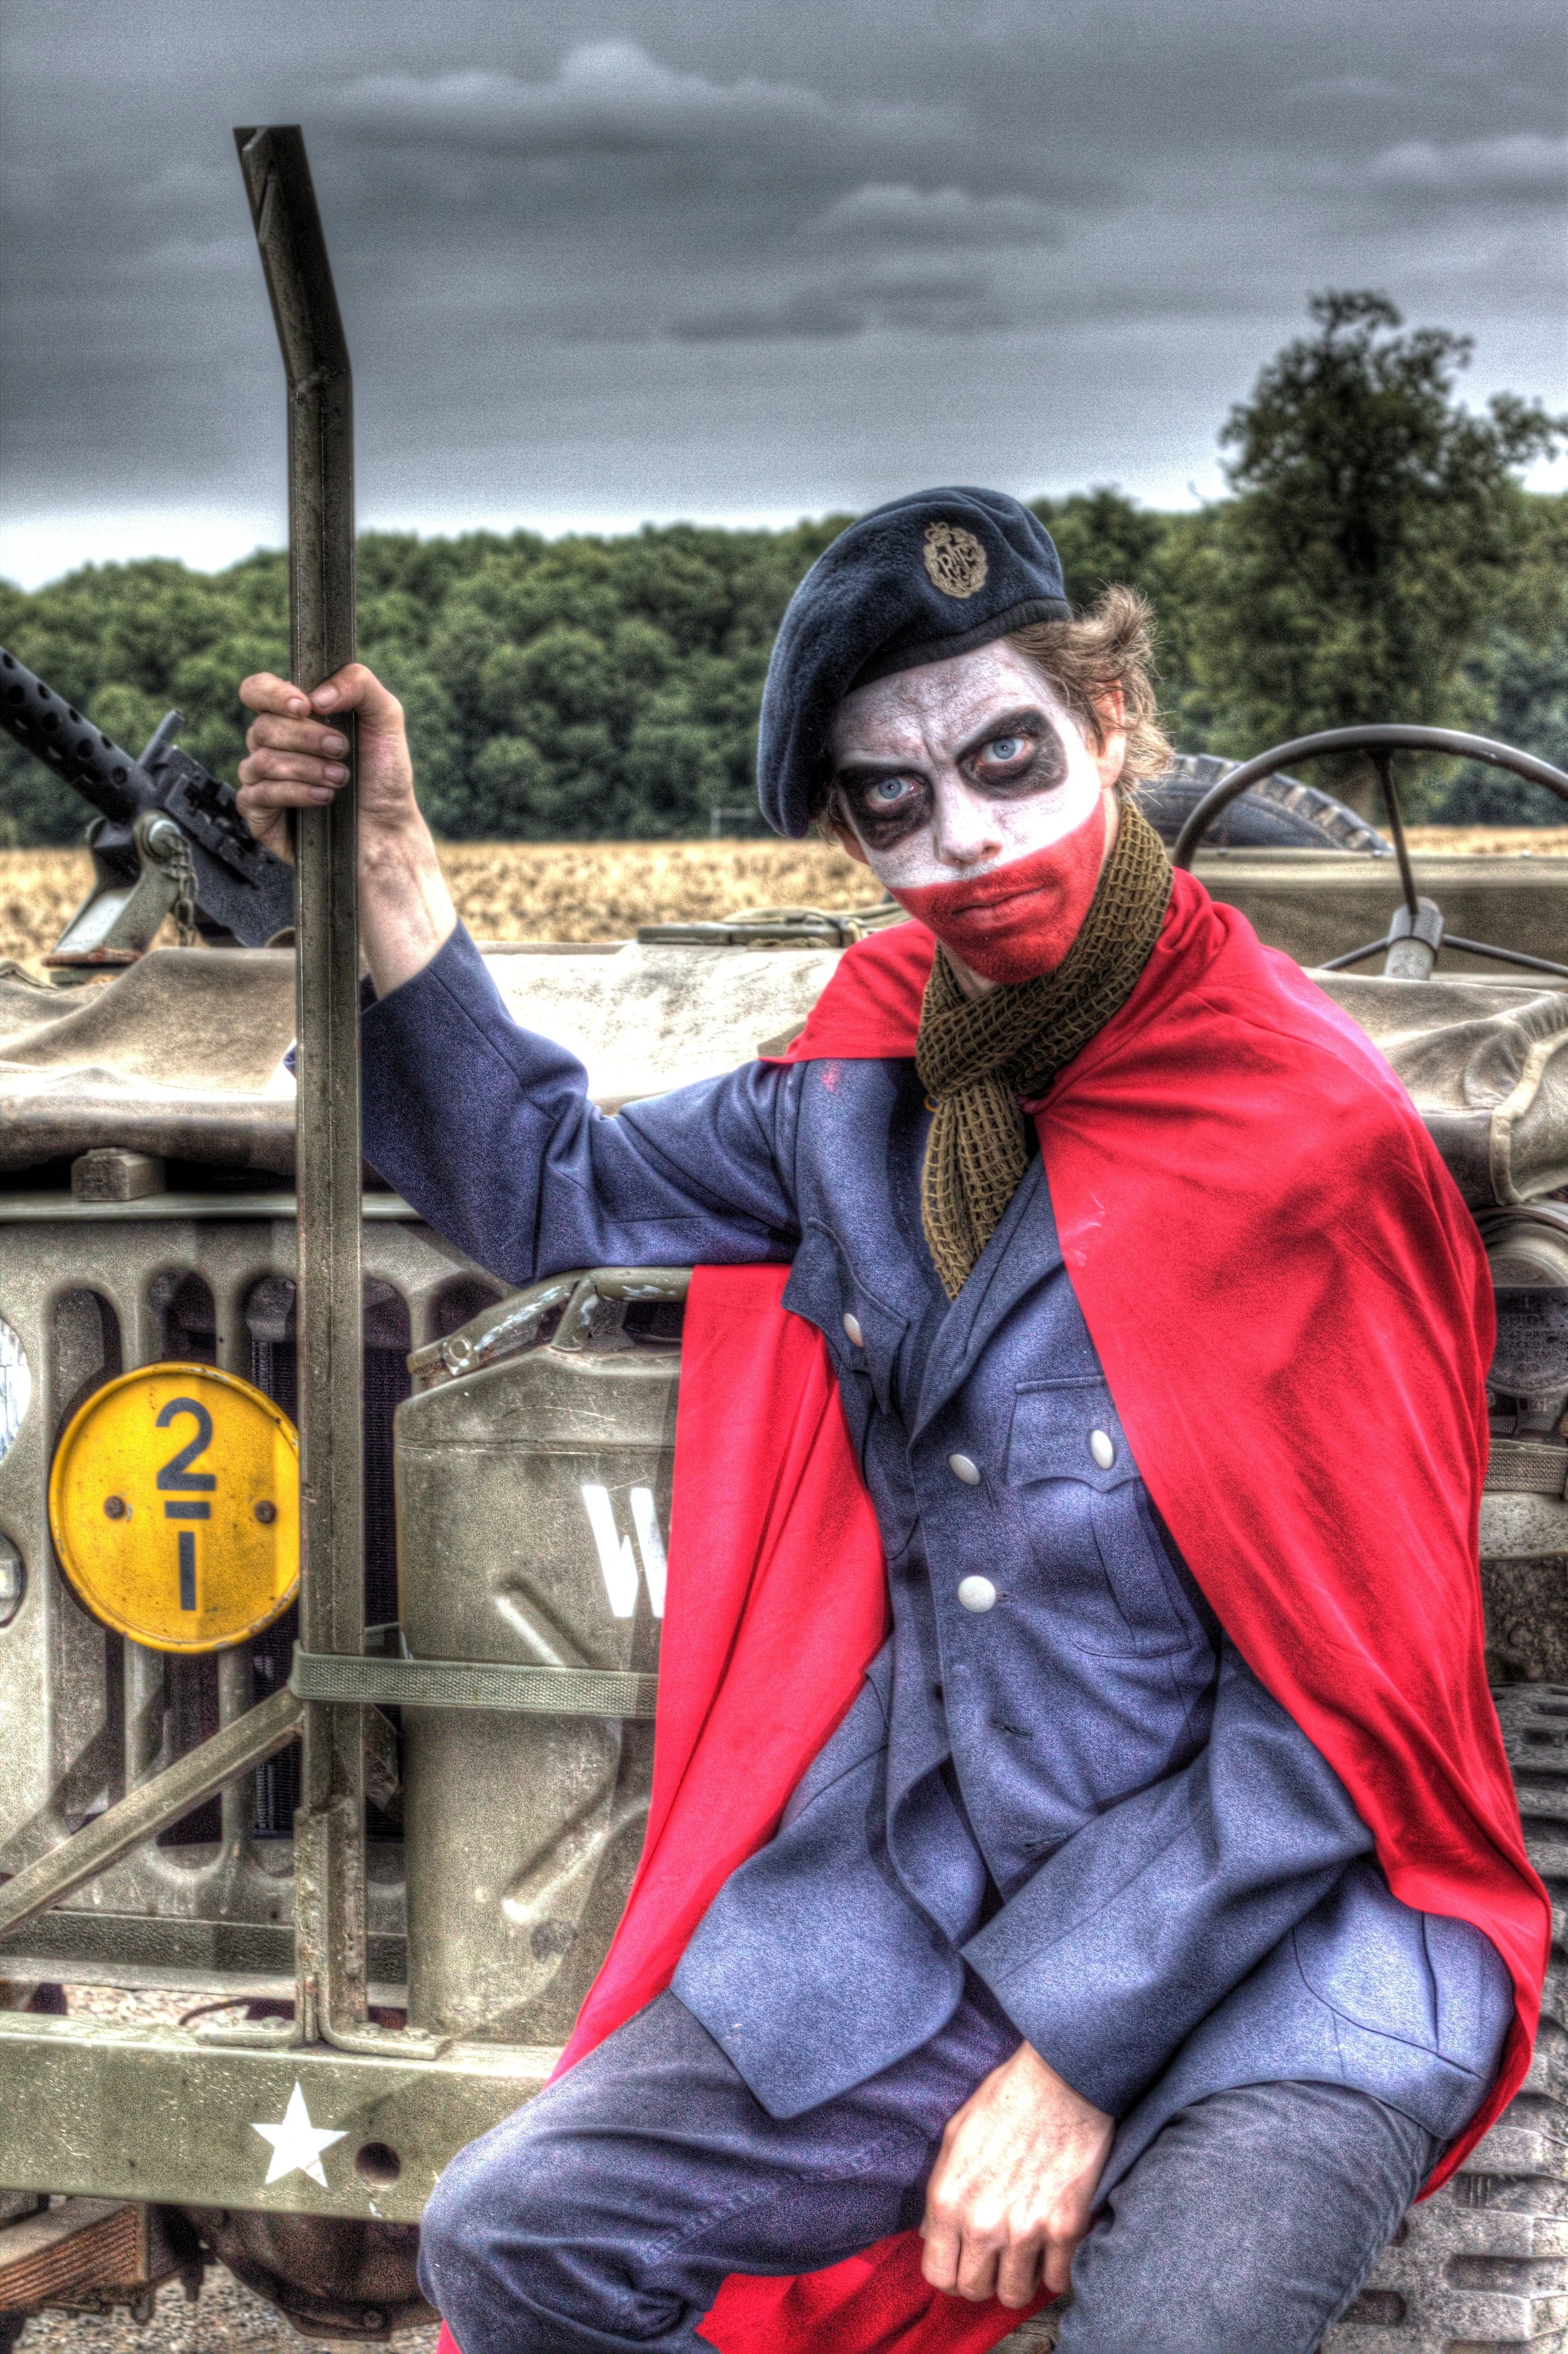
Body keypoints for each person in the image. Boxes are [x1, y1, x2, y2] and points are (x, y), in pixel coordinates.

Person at [237, 489, 1540, 2354]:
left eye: (1007, 756)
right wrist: (382, 854)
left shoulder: (1303, 1144)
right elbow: (546, 1191)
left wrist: (1072, 2055)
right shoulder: (863, 1084)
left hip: (1280, 1929)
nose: (964, 838)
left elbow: (1354, 1705)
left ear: (1109, 724)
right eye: (890, 801)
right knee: (517, 2238)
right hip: (933, 1902)